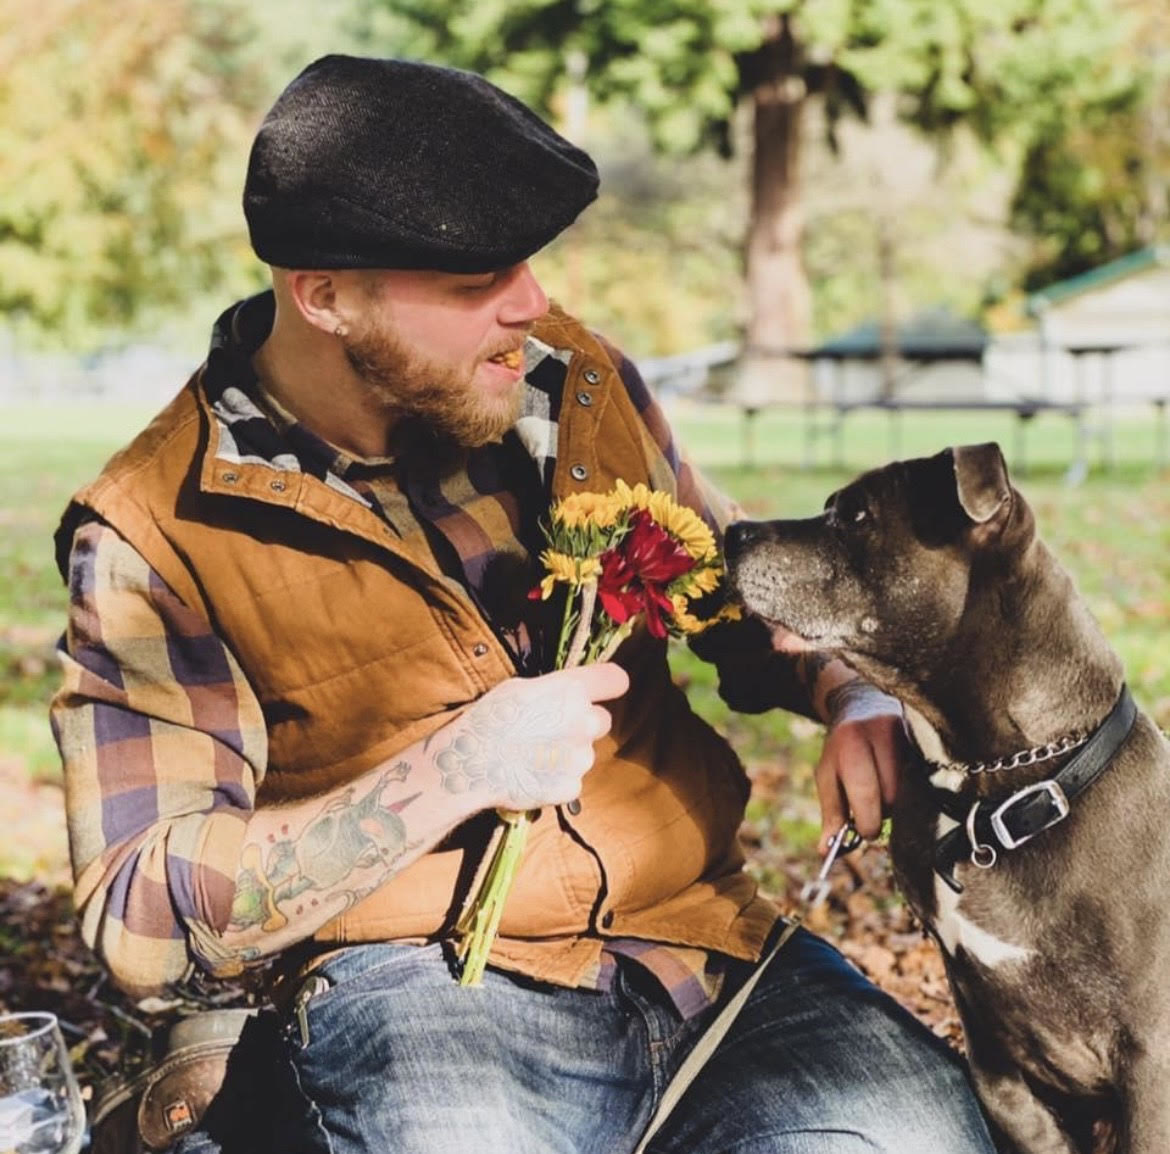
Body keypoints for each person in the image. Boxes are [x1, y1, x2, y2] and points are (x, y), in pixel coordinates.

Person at [51, 55, 996, 1154]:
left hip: (702, 946)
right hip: (419, 991)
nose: (530, 303)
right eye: (474, 283)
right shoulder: (155, 528)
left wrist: (853, 691)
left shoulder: (570, 384)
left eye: (528, 263)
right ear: (325, 295)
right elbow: (142, 910)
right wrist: (453, 769)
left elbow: (728, 590)